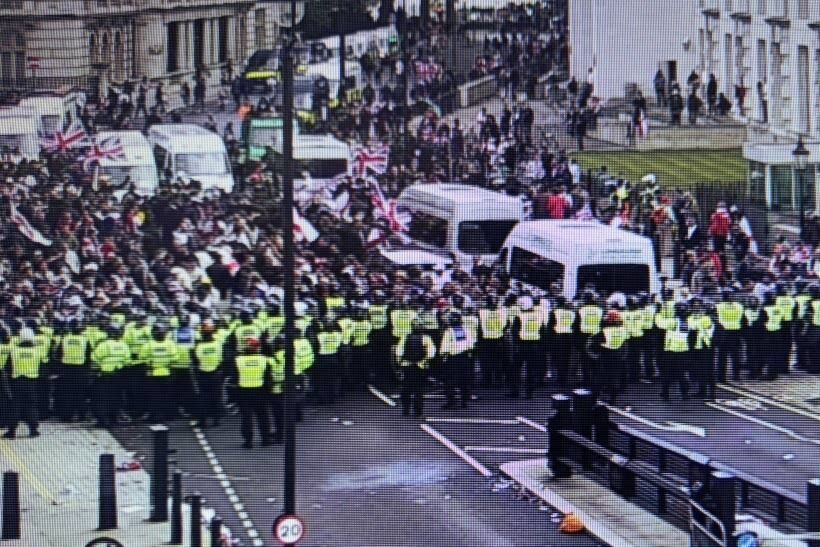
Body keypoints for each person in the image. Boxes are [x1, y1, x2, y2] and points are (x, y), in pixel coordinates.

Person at [230, 337, 271, 449]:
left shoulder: (238, 360)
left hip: (244, 392)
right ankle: (265, 439)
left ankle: (248, 441)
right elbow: (268, 377)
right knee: (263, 417)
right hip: (260, 391)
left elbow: (234, 378)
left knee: (246, 418)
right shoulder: (264, 359)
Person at [90, 324, 131, 427]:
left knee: (102, 398)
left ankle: (103, 420)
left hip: (105, 375)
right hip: (119, 375)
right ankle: (114, 419)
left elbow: (94, 360)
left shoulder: (103, 345)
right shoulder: (124, 345)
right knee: (116, 397)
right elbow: (127, 361)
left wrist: (95, 373)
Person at [5, 328, 42, 438]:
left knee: (15, 406)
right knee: (31, 405)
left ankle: (12, 431)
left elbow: (8, 368)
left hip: (17, 382)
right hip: (32, 382)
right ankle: (33, 430)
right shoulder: (37, 351)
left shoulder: (14, 351)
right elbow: (42, 368)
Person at [138, 323, 179, 422]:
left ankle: (165, 415)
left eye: (162, 332)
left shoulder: (169, 344)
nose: (161, 334)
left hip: (164, 373)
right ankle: (158, 415)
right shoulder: (149, 345)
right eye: (159, 332)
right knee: (156, 396)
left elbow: (175, 357)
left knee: (163, 396)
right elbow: (142, 358)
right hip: (156, 373)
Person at [396, 317, 436, 417]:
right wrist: (425, 361)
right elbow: (431, 352)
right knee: (418, 389)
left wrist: (399, 364)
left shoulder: (405, 336)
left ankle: (406, 410)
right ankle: (418, 411)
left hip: (407, 365)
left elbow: (399, 352)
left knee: (406, 389)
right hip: (420, 366)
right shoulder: (426, 338)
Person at [509, 296, 546, 399]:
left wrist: (516, 343)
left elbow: (514, 332)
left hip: (521, 346)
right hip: (535, 345)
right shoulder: (539, 316)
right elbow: (543, 331)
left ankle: (515, 391)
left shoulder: (519, 317)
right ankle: (529, 392)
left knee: (515, 369)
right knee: (531, 370)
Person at [54, 320, 91, 422]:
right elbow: (88, 357)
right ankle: (81, 415)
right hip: (81, 370)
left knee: (67, 394)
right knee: (80, 393)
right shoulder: (85, 340)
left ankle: (66, 416)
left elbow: (58, 354)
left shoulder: (65, 339)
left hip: (66, 370)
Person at [439, 312, 475, 409]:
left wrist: (443, 355)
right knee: (464, 380)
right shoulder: (466, 329)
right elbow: (471, 343)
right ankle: (464, 401)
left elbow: (444, 346)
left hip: (453, 358)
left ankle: (451, 402)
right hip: (465, 357)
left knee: (450, 381)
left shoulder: (448, 331)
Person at [192, 319, 225, 428]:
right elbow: (221, 359)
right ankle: (216, 420)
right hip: (216, 373)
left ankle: (203, 421)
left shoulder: (199, 346)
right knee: (216, 396)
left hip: (203, 373)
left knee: (203, 398)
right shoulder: (217, 344)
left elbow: (196, 360)